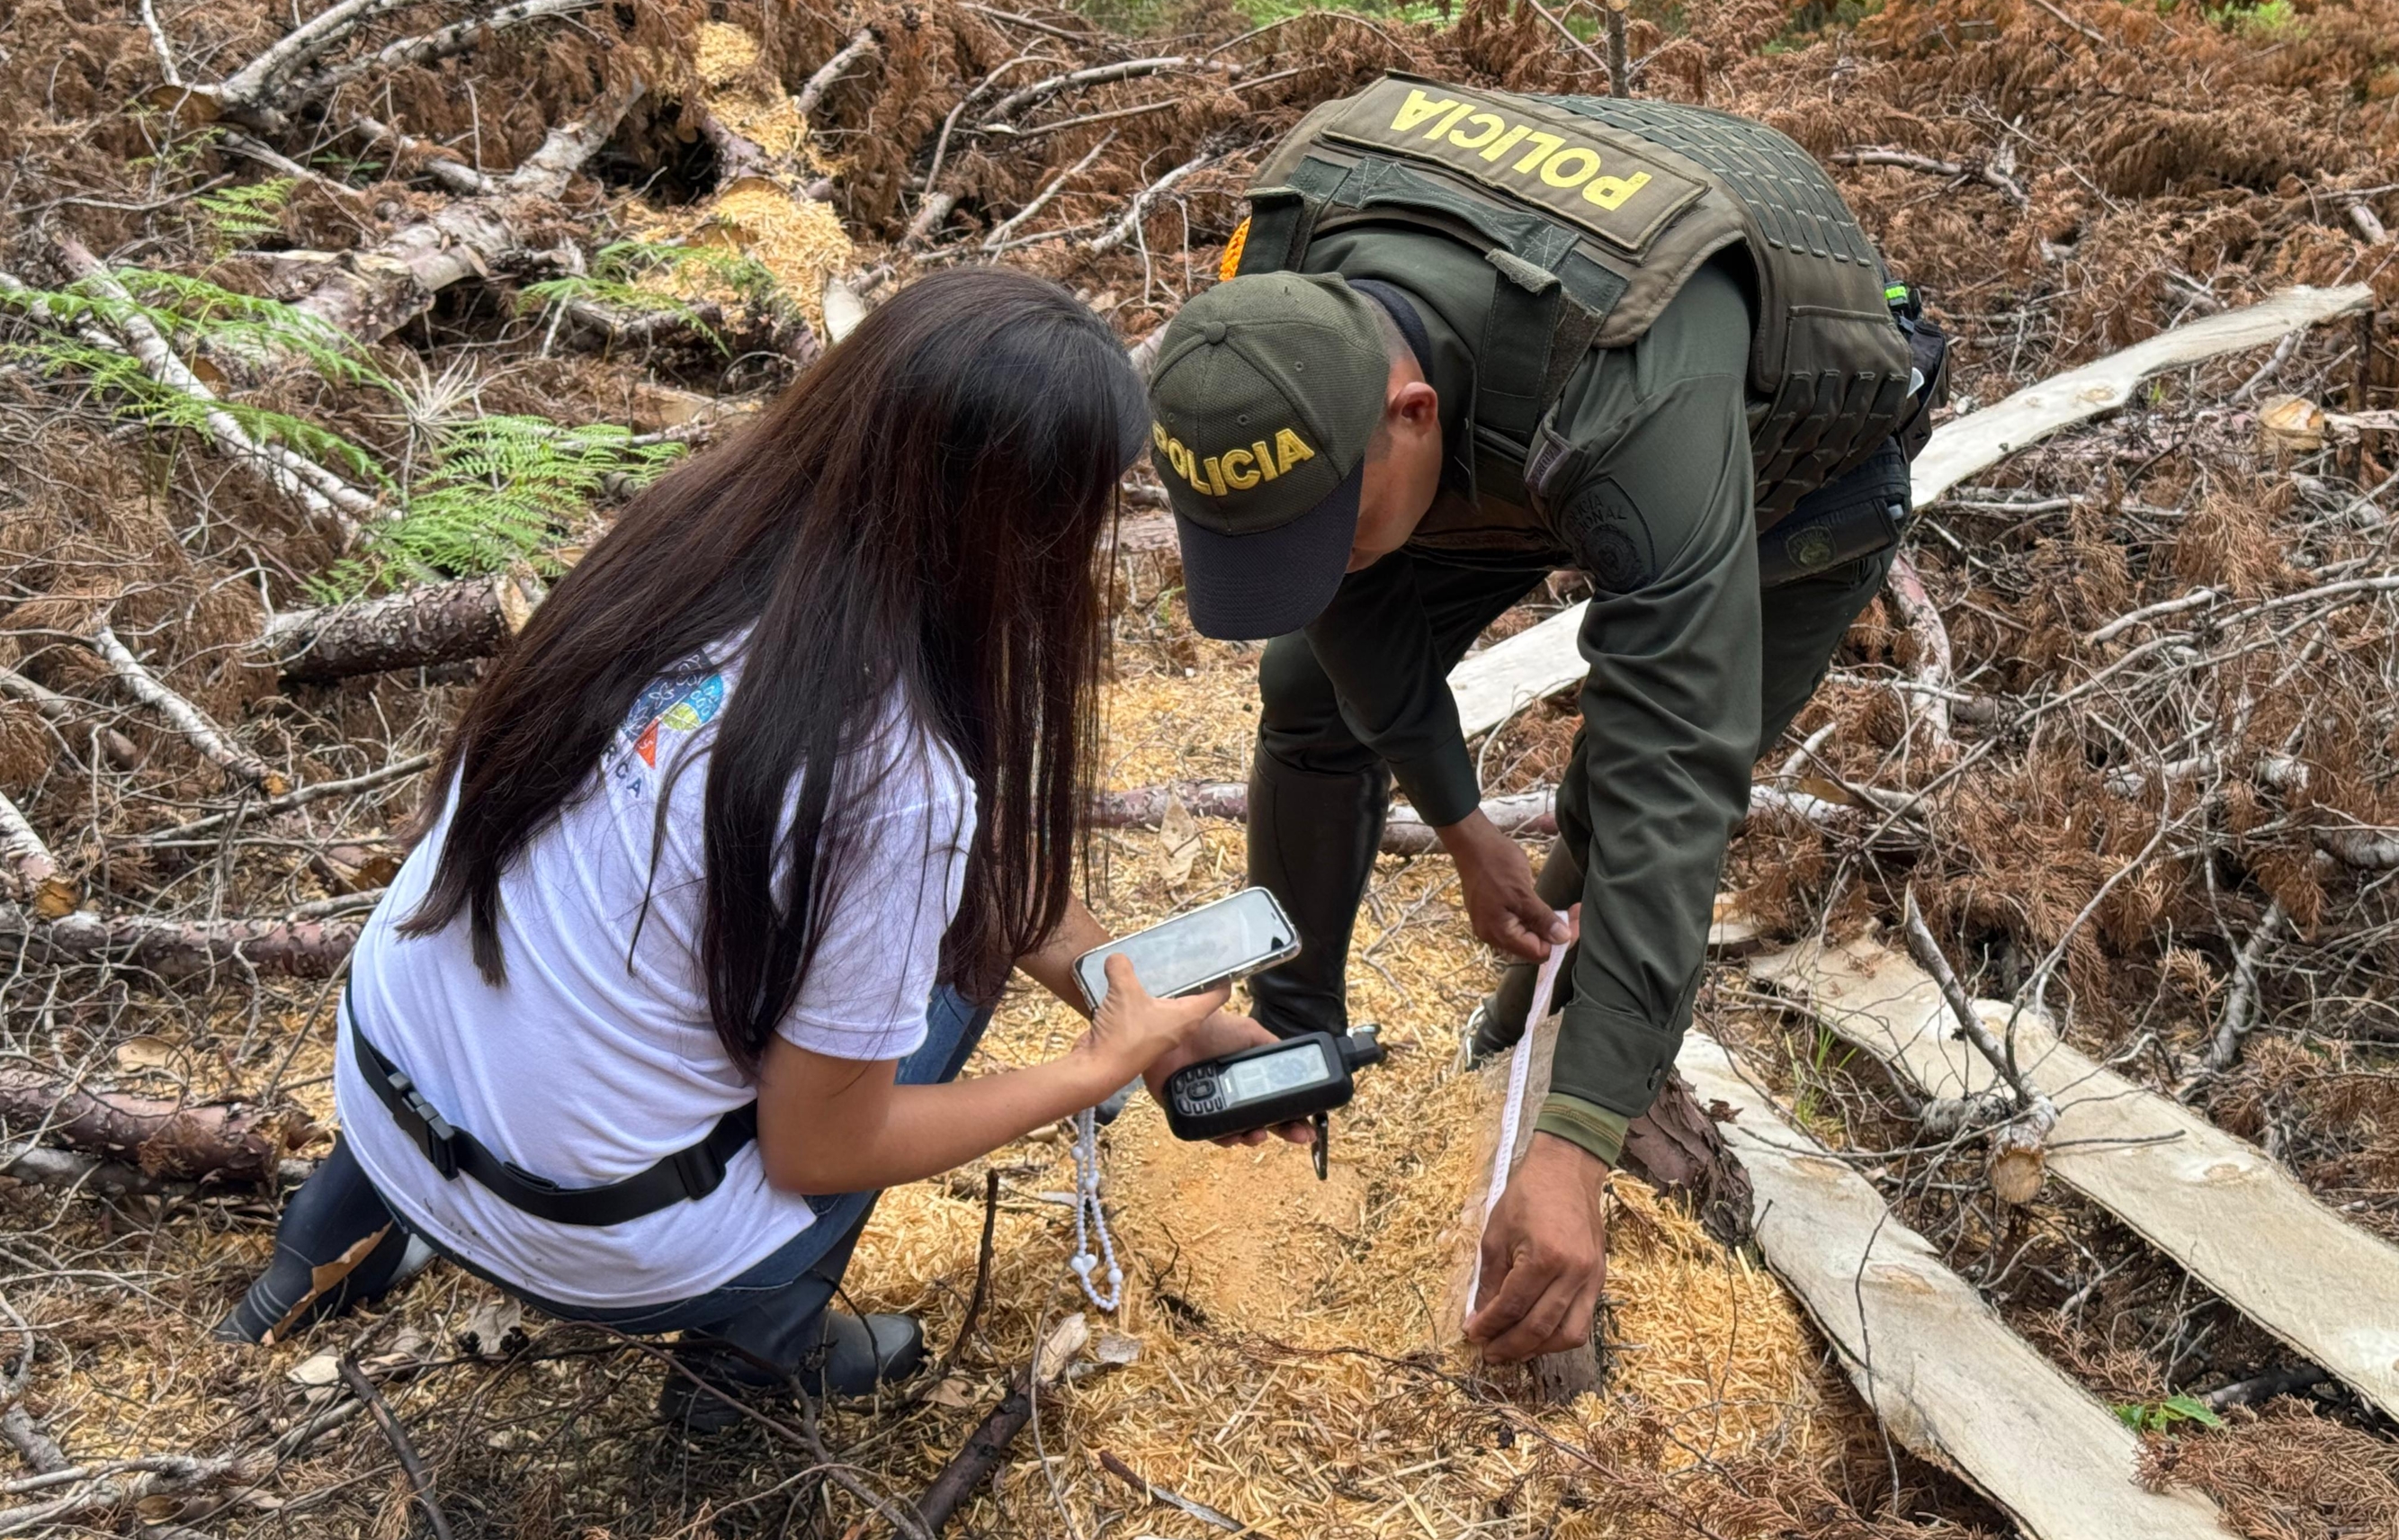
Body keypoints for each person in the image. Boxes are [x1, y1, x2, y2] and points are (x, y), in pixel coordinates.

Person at [219, 268, 1289, 1429]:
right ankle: (755, 1367)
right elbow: (825, 1144)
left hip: (384, 1081)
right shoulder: (896, 777)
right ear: (1013, 533)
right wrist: (1090, 1069)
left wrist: (1126, 1006)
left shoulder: (689, 535)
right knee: (959, 966)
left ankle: (326, 1249)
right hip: (583, 1233)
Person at [1146, 76, 1947, 1369]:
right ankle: (1300, 1036)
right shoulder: (1269, 304)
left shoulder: (1633, 393)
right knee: (1307, 692)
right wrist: (1460, 824)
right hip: (1511, 414)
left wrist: (1574, 1144)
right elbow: (1343, 611)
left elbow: (1667, 778)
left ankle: (1545, 1075)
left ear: (1407, 421)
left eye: (1328, 529)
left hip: (1793, 471)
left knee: (1608, 811)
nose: (1323, 568)